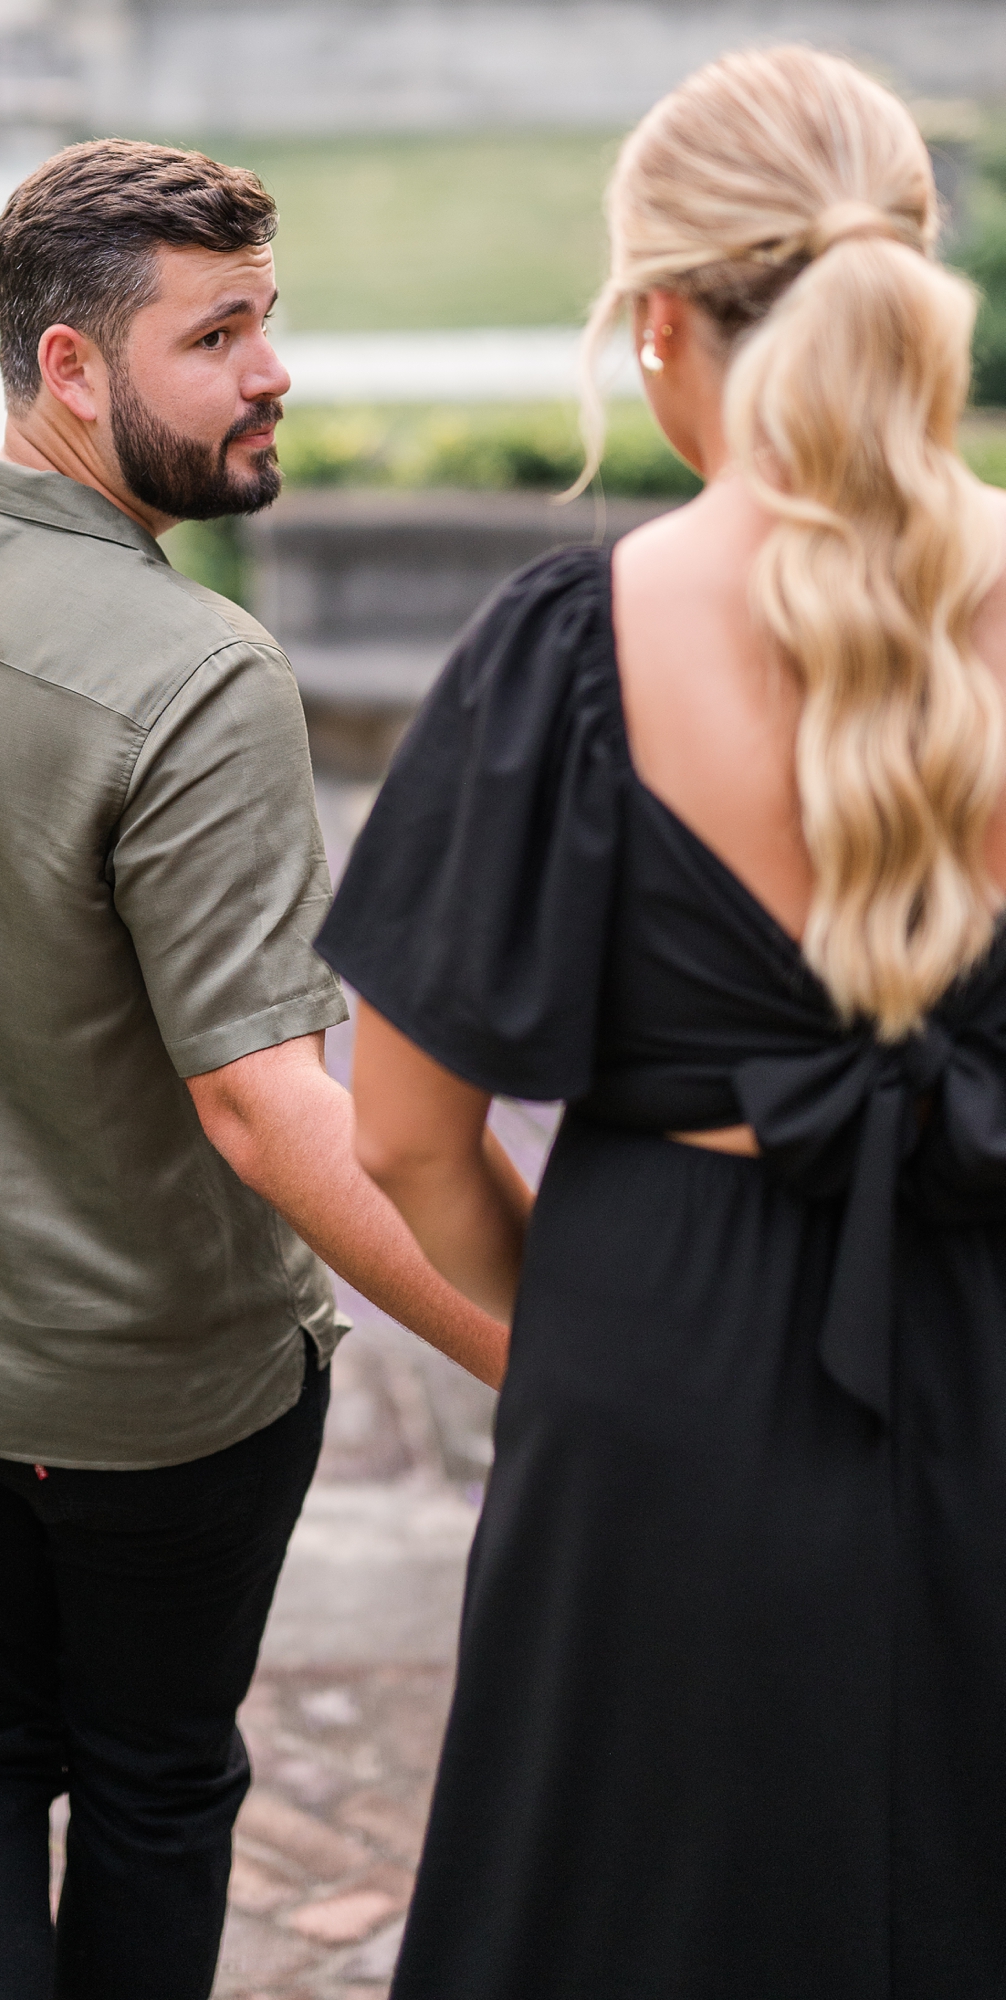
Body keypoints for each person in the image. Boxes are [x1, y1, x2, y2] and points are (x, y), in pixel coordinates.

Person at [0, 138, 505, 2000]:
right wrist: (548, 1353)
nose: (273, 373)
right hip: (159, 1414)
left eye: (270, 321)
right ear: (71, 371)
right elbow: (266, 1106)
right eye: (218, 333)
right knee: (157, 1791)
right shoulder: (204, 678)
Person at [317, 46, 1006, 1999]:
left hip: (655, 1394)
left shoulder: (571, 648)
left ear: (664, 323)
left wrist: (584, 1341)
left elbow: (405, 1139)